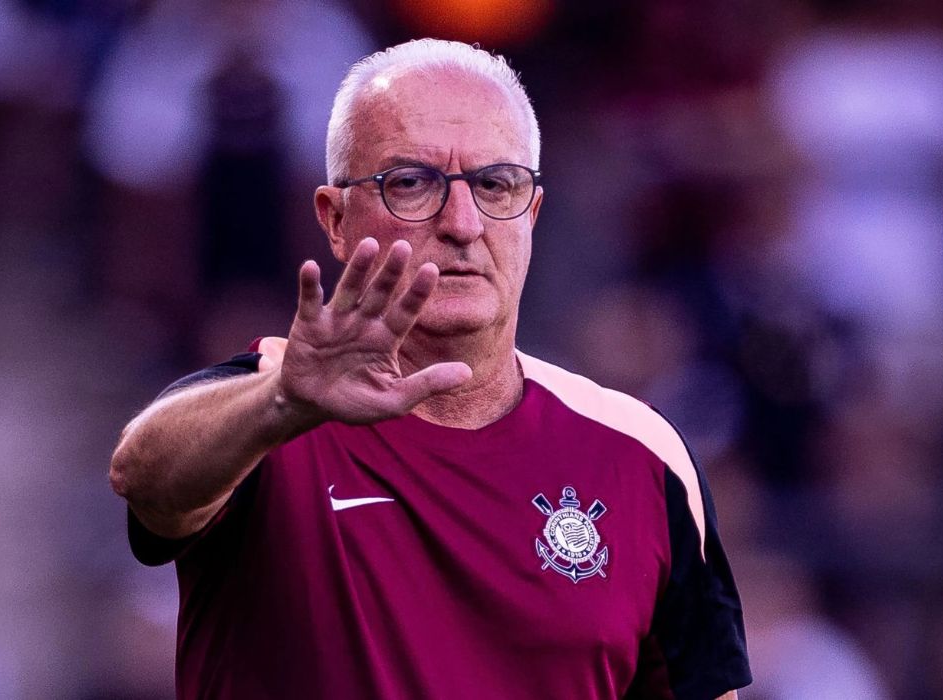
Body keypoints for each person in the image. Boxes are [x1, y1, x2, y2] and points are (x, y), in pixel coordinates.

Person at [109, 38, 751, 699]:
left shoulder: (641, 454)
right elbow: (143, 480)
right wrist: (280, 406)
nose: (463, 224)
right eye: (412, 184)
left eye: (496, 184)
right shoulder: (266, 409)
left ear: (532, 214)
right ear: (335, 219)